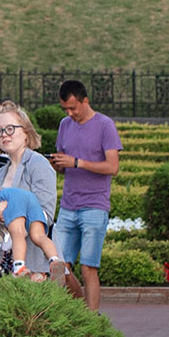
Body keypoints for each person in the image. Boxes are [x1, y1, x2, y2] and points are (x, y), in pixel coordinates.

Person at [52, 79, 122, 313]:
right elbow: (64, 164)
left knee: (88, 268)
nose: (70, 113)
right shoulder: (64, 125)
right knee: (58, 266)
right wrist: (57, 164)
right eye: (65, 109)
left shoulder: (105, 125)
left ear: (85, 101)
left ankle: (92, 320)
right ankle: (67, 314)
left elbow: (112, 167)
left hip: (94, 205)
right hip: (68, 204)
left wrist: (76, 162)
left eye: (73, 108)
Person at [0, 102, 56, 278]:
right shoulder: (0, 173)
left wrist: (13, 213)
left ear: (26, 133)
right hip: (4, 256)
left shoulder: (38, 164)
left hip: (33, 260)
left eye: (10, 129)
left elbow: (46, 215)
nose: (4, 135)